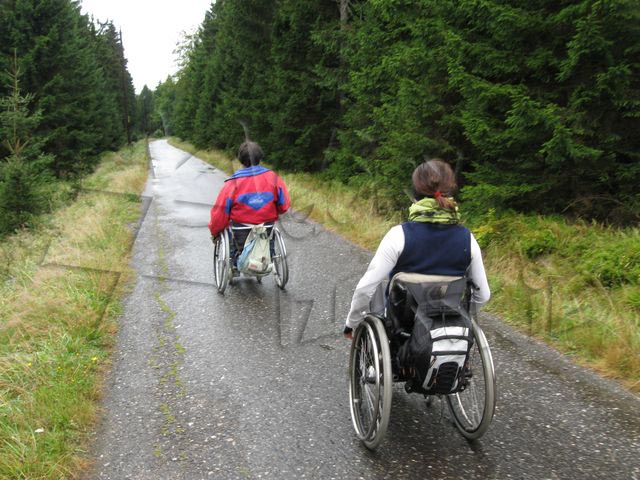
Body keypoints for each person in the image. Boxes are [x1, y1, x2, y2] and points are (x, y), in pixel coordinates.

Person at [343, 159, 490, 338]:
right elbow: (483, 295)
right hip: (448, 325)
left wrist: (352, 323)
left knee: (377, 293)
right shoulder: (468, 239)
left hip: (402, 327)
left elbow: (365, 289)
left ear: (415, 193)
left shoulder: (398, 235)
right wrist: (462, 317)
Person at [208, 141, 290, 263]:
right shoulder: (273, 178)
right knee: (268, 234)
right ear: (260, 157)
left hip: (240, 233)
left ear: (241, 159)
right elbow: (284, 206)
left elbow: (220, 214)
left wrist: (215, 231)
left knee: (229, 230)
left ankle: (235, 262)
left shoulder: (232, 183)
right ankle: (268, 256)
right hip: (266, 228)